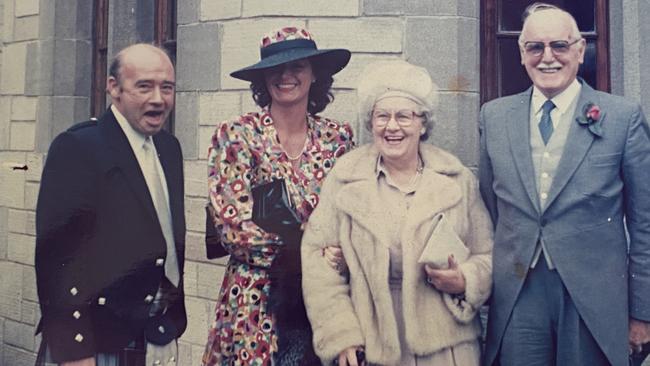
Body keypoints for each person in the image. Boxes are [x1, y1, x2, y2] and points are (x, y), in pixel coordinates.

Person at [479, 3, 650, 365]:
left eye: (559, 45)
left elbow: (645, 223)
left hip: (594, 297)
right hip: (518, 291)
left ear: (579, 49)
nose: (548, 57)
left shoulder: (621, 117)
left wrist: (642, 311)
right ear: (522, 54)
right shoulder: (494, 117)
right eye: (535, 47)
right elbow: (490, 208)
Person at [301, 60, 494, 366]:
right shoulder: (345, 178)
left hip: (448, 349)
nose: (392, 127)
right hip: (372, 346)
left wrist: (465, 280)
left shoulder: (456, 179)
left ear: (423, 123)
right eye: (382, 116)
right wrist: (341, 335)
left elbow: (488, 254)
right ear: (371, 122)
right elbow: (317, 264)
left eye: (404, 116)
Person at [201, 27, 354, 366]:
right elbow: (233, 225)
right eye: (276, 69)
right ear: (263, 78)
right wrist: (316, 250)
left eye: (297, 66)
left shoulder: (338, 138)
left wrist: (340, 249)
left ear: (315, 74)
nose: (286, 76)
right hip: (255, 299)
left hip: (323, 300)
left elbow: (351, 212)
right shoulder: (237, 135)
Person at [35, 43, 186, 366]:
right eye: (144, 86)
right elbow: (57, 261)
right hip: (94, 342)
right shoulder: (79, 147)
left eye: (167, 87)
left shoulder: (169, 148)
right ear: (113, 88)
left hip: (153, 334)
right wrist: (74, 353)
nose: (158, 99)